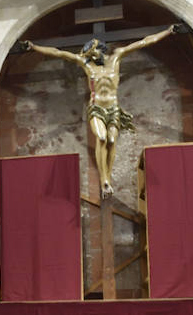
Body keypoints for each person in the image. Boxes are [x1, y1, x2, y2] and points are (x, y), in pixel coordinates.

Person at [17, 24, 184, 194]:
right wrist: (34, 47)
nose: (91, 56)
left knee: (112, 140)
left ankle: (108, 178)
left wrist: (168, 32)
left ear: (100, 50)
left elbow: (144, 42)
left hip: (113, 108)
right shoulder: (87, 66)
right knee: (102, 138)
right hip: (96, 108)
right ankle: (104, 179)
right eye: (89, 54)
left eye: (93, 52)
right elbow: (59, 53)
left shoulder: (116, 58)